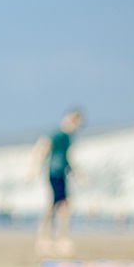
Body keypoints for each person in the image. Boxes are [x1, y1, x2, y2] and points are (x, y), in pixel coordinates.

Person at [30, 108, 84, 256]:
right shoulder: (60, 134)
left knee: (61, 206)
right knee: (58, 206)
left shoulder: (67, 137)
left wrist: (76, 173)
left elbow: (66, 158)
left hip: (60, 173)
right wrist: (34, 168)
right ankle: (49, 238)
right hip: (55, 173)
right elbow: (43, 145)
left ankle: (55, 238)